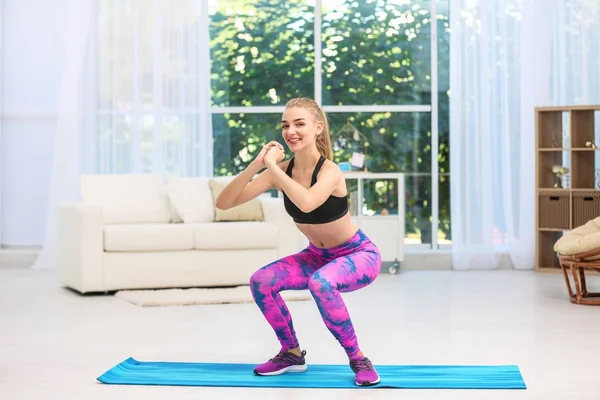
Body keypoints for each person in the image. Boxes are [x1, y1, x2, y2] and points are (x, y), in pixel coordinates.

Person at [215, 97, 382, 386]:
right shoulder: (281, 172)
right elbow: (225, 202)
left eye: (299, 124)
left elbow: (306, 203)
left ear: (318, 128)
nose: (290, 131)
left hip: (357, 254)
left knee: (321, 282)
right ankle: (291, 353)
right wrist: (258, 164)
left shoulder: (330, 171)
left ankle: (358, 358)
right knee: (261, 281)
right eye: (285, 125)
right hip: (316, 256)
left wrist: (273, 168)